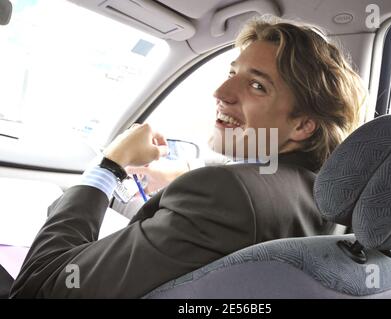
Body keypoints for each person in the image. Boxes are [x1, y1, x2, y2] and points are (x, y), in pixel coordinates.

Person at [10, 16, 366, 298]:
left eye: (257, 85)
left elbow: (42, 286)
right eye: (232, 73)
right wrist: (184, 183)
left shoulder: (225, 194)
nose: (221, 92)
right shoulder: (328, 201)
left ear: (303, 125)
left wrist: (109, 166)